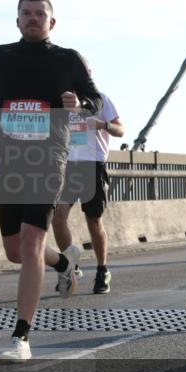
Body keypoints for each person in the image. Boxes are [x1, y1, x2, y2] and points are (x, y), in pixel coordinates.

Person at [0, 0, 103, 363]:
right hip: (10, 162)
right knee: (15, 251)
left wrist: (80, 104)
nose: (32, 18)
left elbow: (95, 101)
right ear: (17, 20)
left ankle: (21, 338)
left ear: (51, 22)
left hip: (49, 160)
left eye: (39, 13)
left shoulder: (68, 59)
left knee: (30, 245)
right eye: (26, 13)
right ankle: (64, 263)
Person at [51, 91, 123, 294]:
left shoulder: (100, 98)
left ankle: (102, 270)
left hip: (93, 165)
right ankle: (70, 267)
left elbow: (120, 130)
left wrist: (103, 125)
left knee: (93, 220)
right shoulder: (64, 97)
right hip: (68, 165)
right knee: (57, 217)